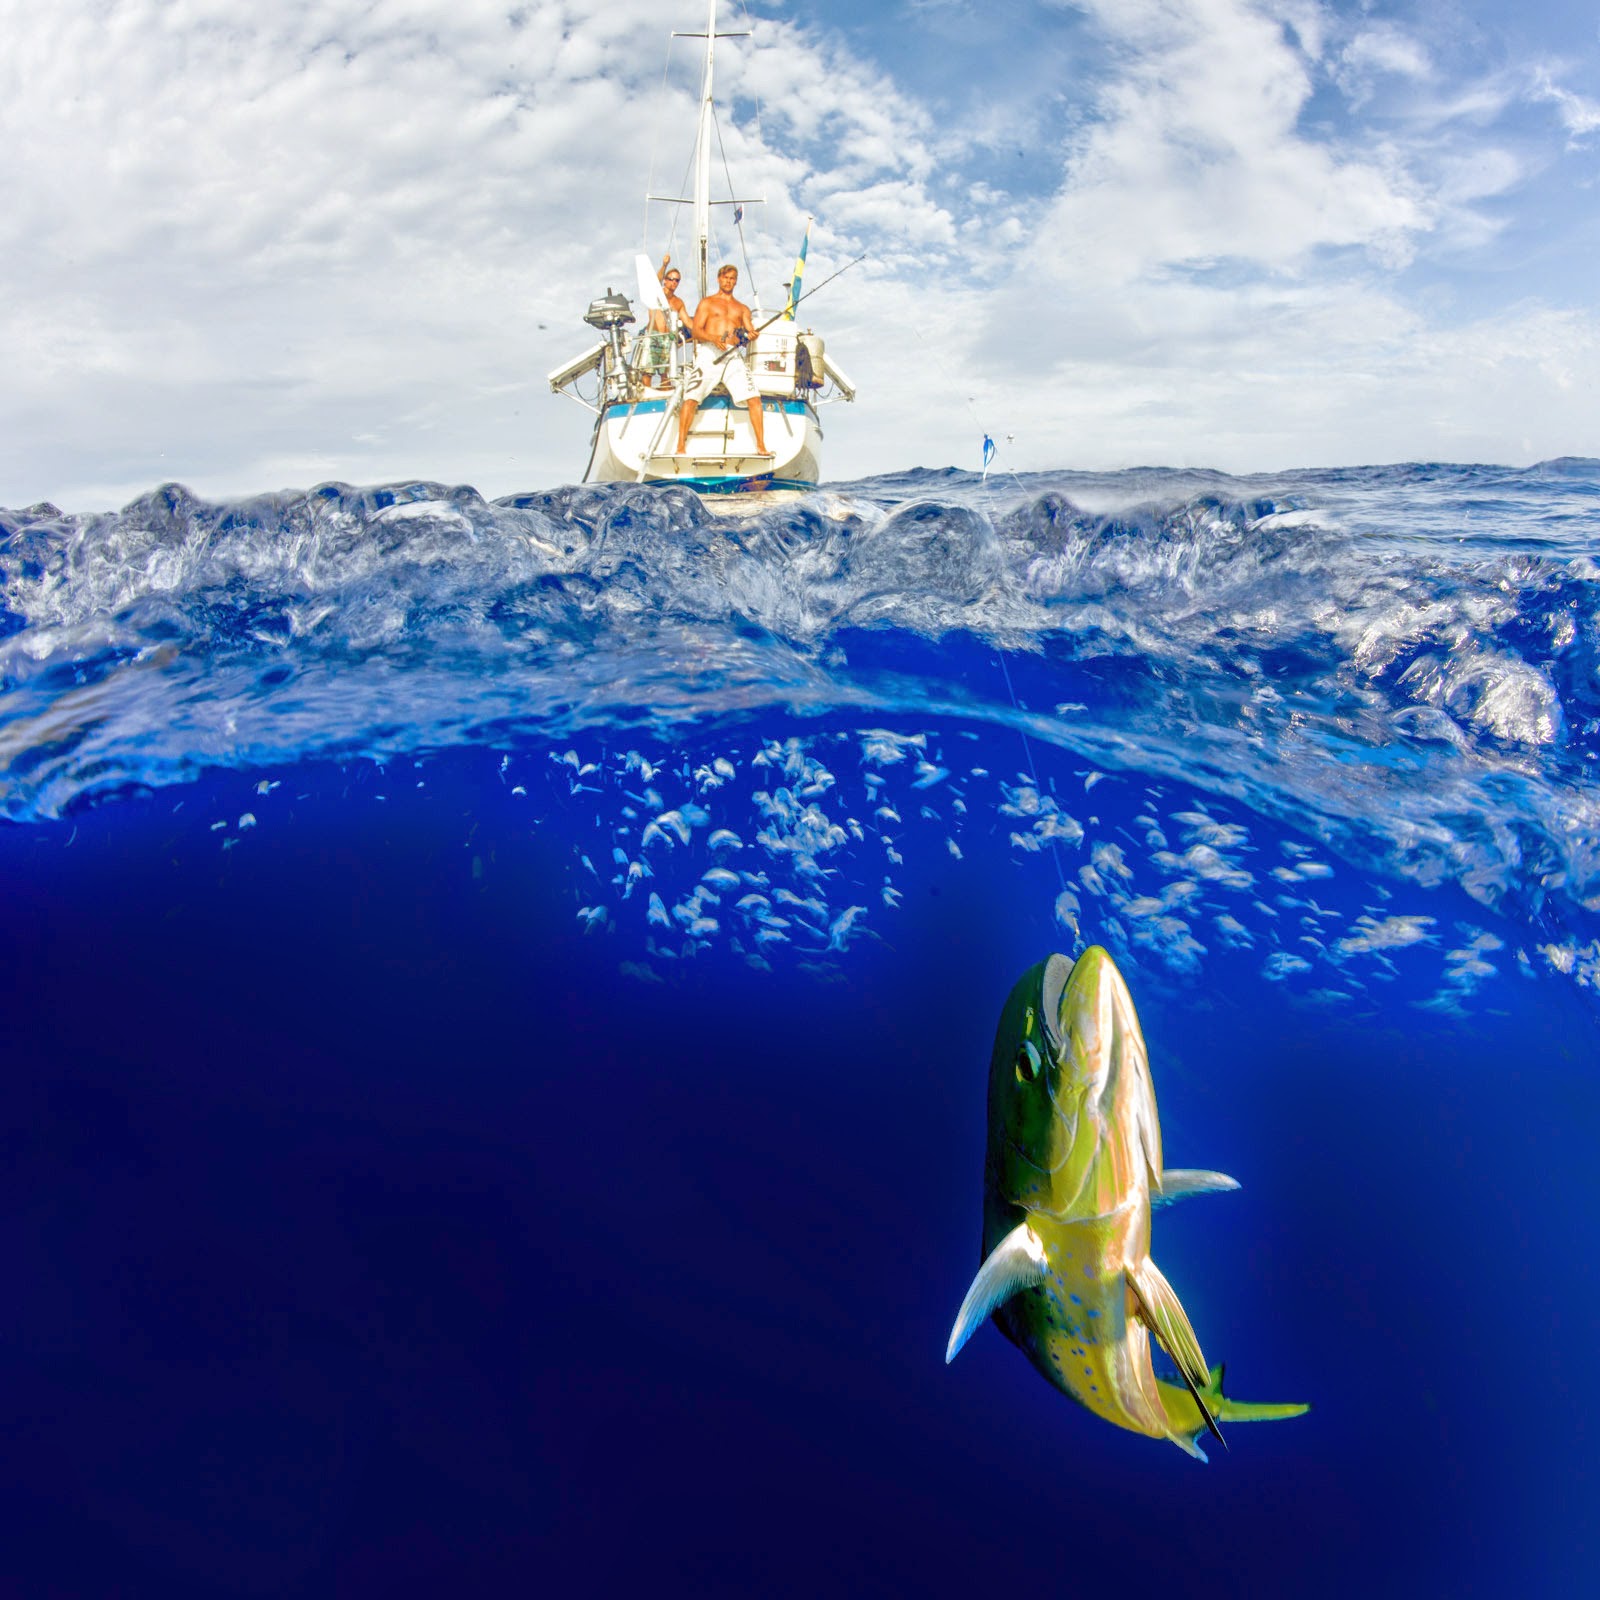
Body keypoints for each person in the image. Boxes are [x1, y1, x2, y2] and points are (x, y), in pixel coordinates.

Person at [675, 263, 768, 457]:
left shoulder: (742, 308)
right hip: (709, 352)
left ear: (736, 281)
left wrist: (751, 335)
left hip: (732, 355)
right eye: (725, 277)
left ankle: (761, 446)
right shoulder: (707, 303)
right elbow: (696, 330)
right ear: (719, 279)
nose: (728, 281)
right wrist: (713, 338)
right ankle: (680, 446)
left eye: (732, 278)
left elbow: (749, 330)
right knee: (691, 398)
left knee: (754, 398)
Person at [644, 255, 689, 391]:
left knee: (666, 374)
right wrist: (664, 265)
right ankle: (646, 396)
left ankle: (665, 399)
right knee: (648, 371)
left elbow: (687, 321)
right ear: (665, 280)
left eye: (677, 280)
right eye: (671, 279)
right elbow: (654, 282)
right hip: (653, 335)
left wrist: (702, 330)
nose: (674, 282)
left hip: (668, 338)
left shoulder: (678, 302)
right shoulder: (656, 293)